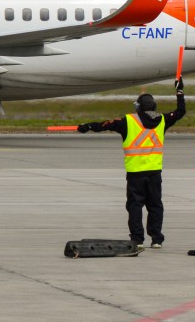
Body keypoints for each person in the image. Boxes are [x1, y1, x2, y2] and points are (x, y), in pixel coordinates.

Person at [78, 76, 185, 249]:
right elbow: (180, 112)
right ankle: (156, 239)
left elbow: (105, 124)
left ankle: (137, 239)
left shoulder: (128, 121)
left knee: (135, 206)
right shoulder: (164, 120)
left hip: (135, 173)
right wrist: (179, 91)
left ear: (138, 107)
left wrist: (87, 126)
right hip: (154, 172)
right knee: (155, 205)